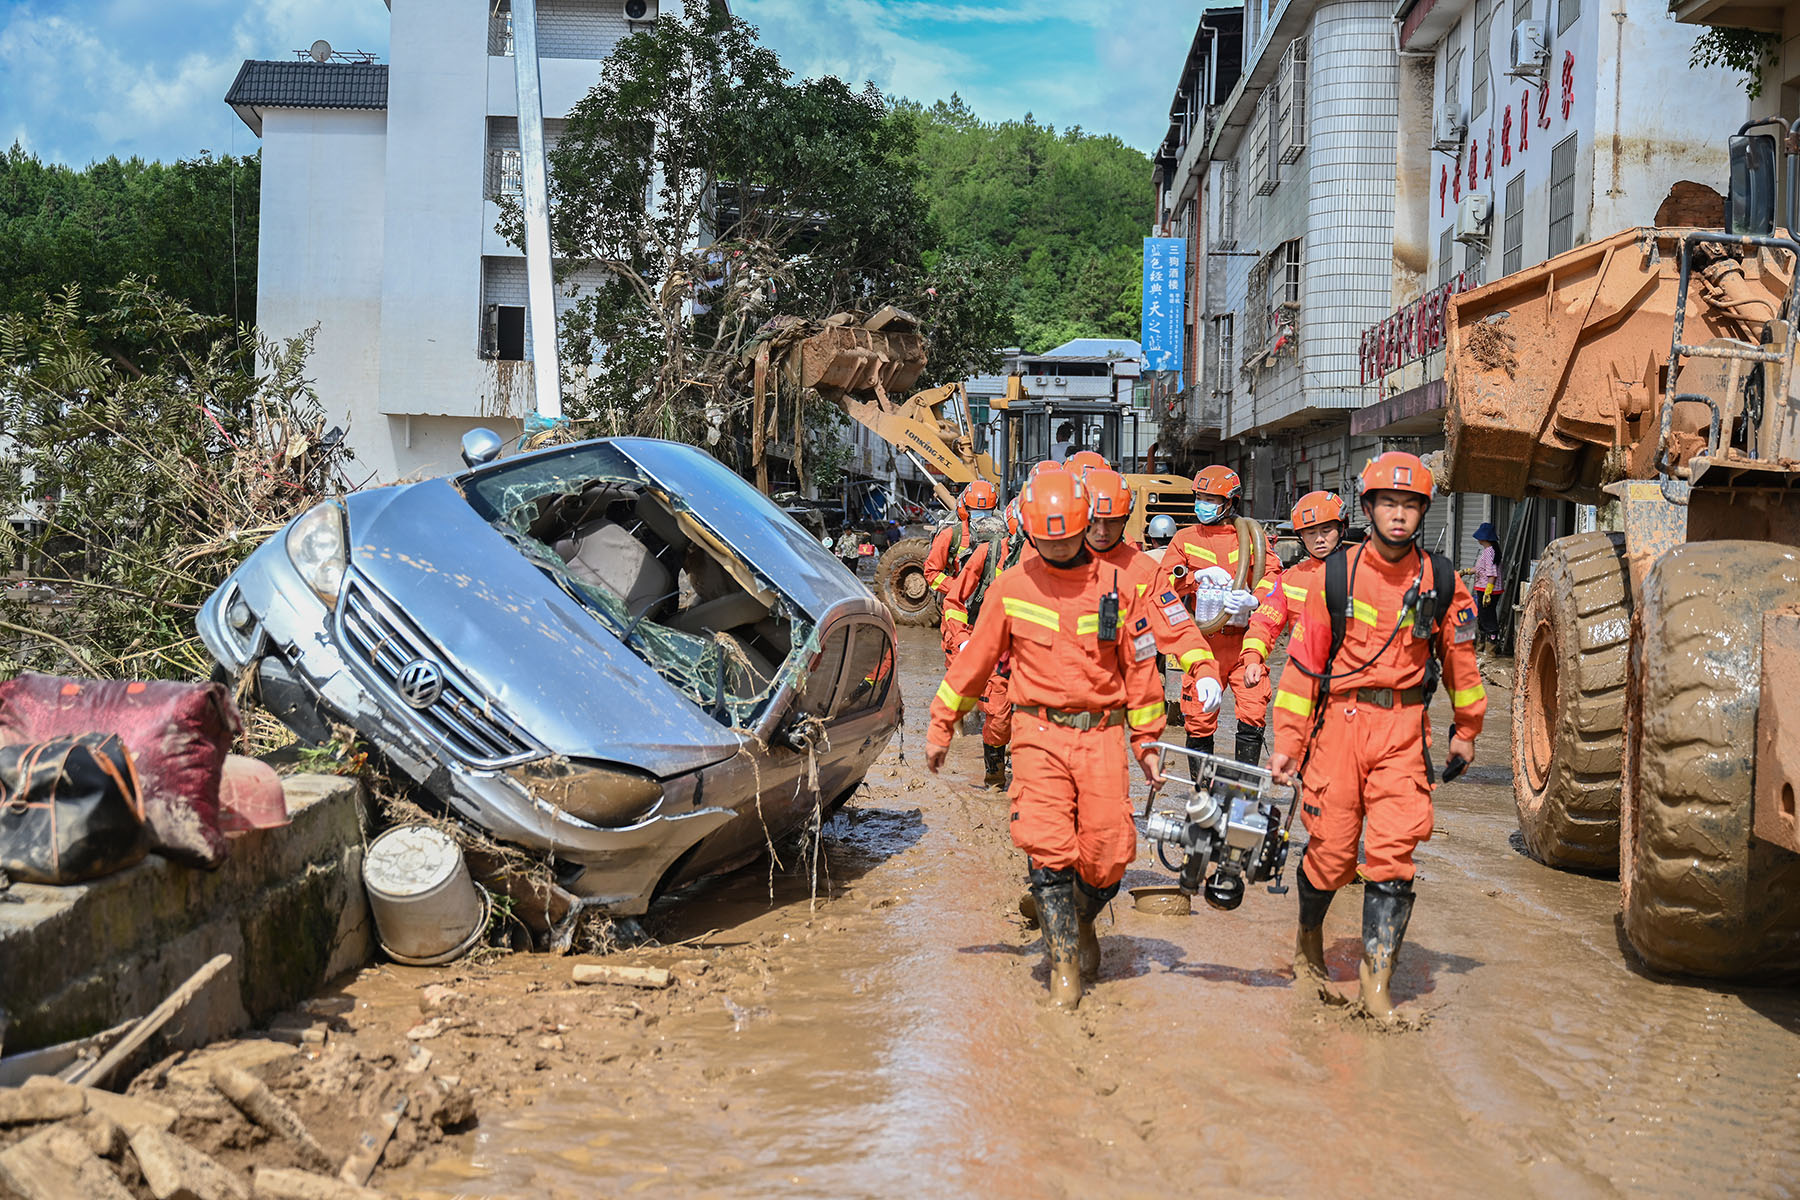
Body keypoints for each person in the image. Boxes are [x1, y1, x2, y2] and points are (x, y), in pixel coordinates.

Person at [926, 470, 1168, 1011]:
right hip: (1036, 735)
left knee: (1109, 855)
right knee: (1048, 844)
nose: (1056, 547)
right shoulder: (1012, 587)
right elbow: (977, 660)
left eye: (1066, 536)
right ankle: (1063, 967)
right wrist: (942, 722)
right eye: (1045, 538)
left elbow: (1143, 669)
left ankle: (1081, 916)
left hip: (1103, 735)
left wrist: (1148, 743)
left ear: (1086, 527)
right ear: (1030, 532)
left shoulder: (1121, 588)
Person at [1266, 452, 1487, 1022]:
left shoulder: (1441, 580)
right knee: (1333, 854)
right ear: (1368, 509)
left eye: (1410, 505)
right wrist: (1288, 744)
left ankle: (1375, 986)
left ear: (1422, 512)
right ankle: (1308, 941)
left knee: (1393, 855)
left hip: (1402, 734)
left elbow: (1462, 663)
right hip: (1339, 728)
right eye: (1388, 503)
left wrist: (1467, 731)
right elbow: (1301, 670)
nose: (1398, 515)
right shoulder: (1334, 578)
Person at [1159, 465, 1282, 766]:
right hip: (1203, 642)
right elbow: (1162, 584)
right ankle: (1203, 796)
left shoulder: (1253, 539)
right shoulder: (1185, 539)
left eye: (1211, 499)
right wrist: (1195, 577)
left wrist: (1255, 600)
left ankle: (1243, 794)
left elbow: (1274, 578)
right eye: (1200, 497)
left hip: (1244, 642)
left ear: (1230, 502)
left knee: (1253, 712)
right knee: (1198, 718)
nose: (1203, 504)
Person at [1240, 491, 1347, 690]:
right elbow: (1264, 624)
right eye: (1311, 532)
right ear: (1300, 536)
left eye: (1326, 530)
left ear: (1341, 529)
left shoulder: (1361, 573)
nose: (1319, 539)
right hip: (1305, 677)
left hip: (1352, 677)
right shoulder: (1290, 579)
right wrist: (1253, 658)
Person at [922, 480, 1000, 667]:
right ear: (965, 509)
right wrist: (960, 588)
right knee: (958, 667)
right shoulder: (952, 535)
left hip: (990, 614)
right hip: (960, 613)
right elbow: (932, 572)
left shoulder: (1003, 536)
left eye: (987, 512)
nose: (982, 517)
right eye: (976, 511)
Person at [1470, 521, 1502, 651]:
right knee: (1483, 617)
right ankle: (1482, 646)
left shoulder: (1489, 552)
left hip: (1487, 589)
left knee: (1487, 618)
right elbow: (1481, 569)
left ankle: (1490, 649)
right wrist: (1466, 571)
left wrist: (1487, 593)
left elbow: (1491, 574)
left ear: (1483, 537)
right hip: (1486, 588)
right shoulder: (1490, 550)